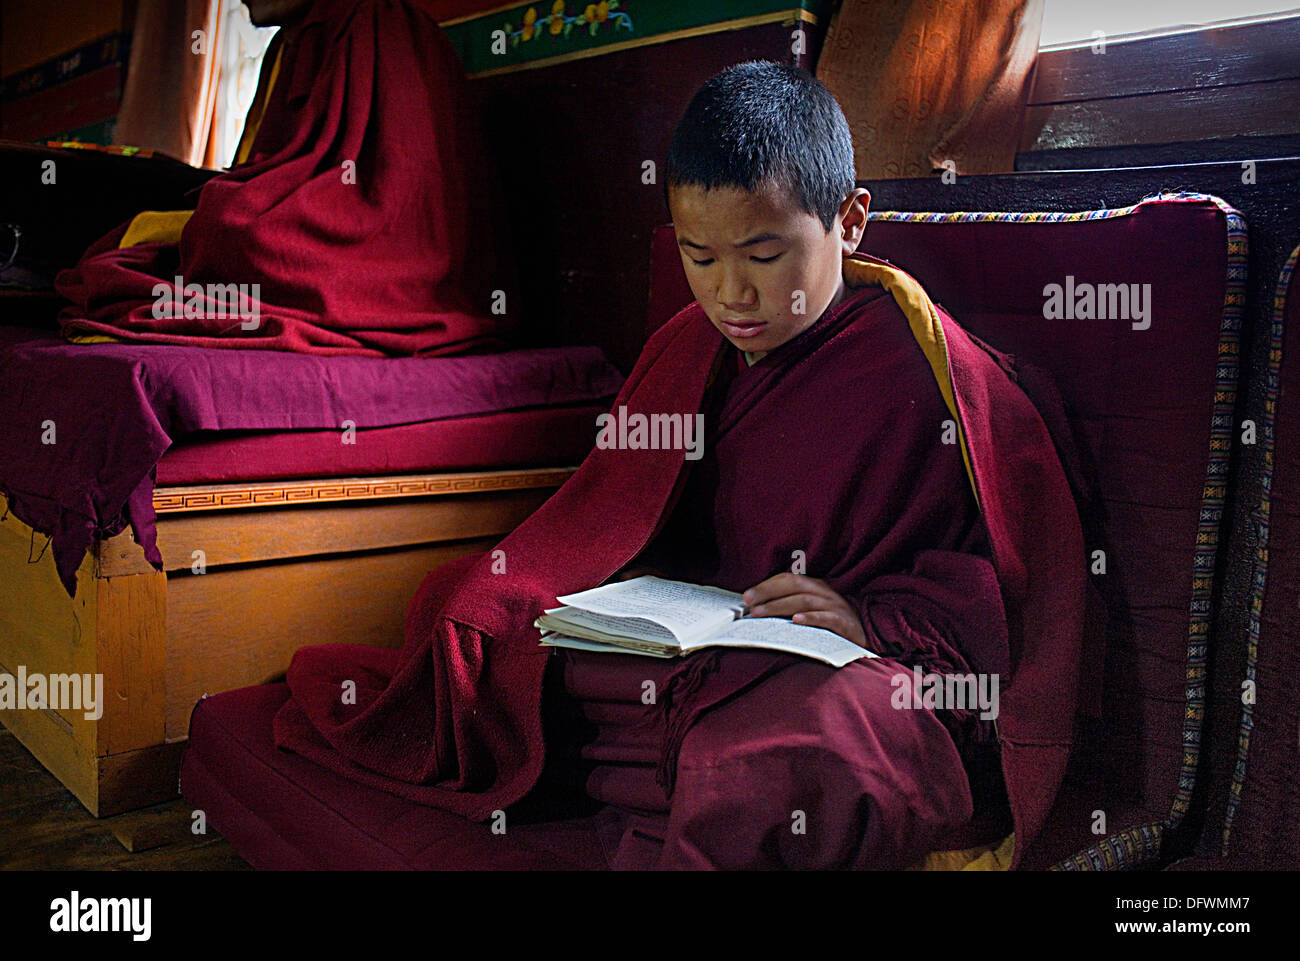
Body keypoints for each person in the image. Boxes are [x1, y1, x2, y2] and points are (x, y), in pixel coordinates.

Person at [274, 61, 1085, 870]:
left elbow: (1006, 594)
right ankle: (680, 761)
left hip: (833, 672)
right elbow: (611, 518)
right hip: (700, 649)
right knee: (471, 615)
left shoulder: (931, 370)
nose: (730, 293)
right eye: (699, 257)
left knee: (822, 740)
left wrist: (870, 620)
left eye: (764, 256)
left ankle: (700, 774)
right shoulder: (691, 345)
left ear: (850, 219)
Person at [55, 0, 513, 356]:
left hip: (385, 256)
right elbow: (280, 166)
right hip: (314, 224)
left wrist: (236, 212)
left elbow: (390, 201)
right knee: (119, 253)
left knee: (223, 227)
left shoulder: (380, 22)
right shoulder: (289, 46)